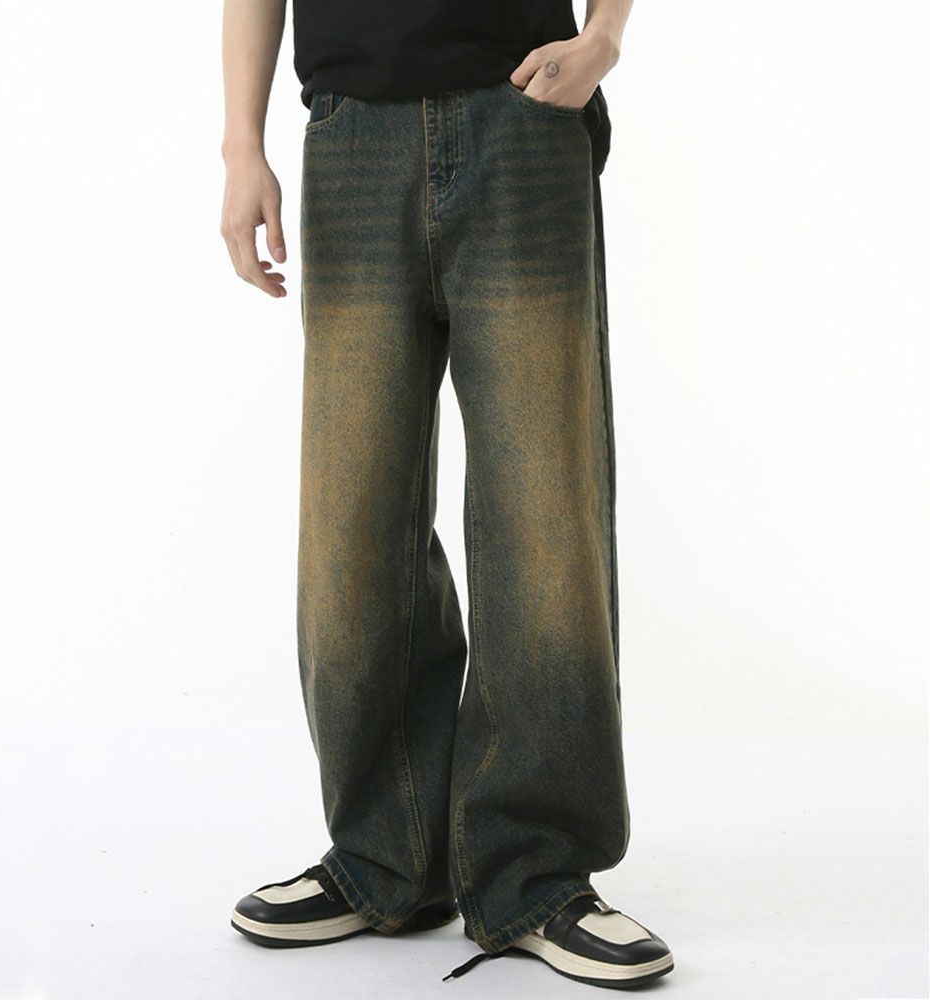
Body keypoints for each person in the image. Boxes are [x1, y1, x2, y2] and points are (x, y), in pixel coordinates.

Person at [219, 0, 674, 987]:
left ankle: (535, 871)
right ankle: (386, 854)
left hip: (522, 113)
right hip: (350, 132)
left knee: (543, 515)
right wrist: (240, 146)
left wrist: (605, 36)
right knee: (350, 526)